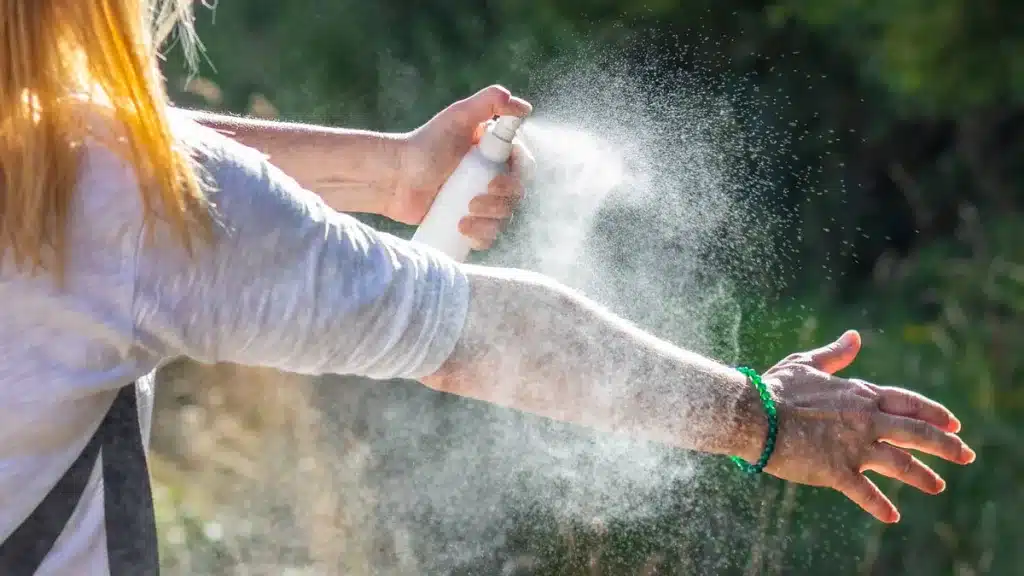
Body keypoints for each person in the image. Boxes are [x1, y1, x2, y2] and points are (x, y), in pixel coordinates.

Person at [0, 0, 975, 574]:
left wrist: (390, 174)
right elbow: (476, 333)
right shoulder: (111, 195)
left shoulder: (89, 178)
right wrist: (762, 417)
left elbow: (104, 151)